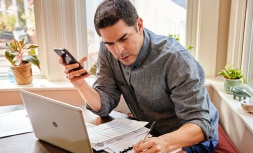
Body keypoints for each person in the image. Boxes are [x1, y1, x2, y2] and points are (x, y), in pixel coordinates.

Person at [60, 0, 219, 152]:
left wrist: (164, 143)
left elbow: (200, 124)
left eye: (124, 38)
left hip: (190, 137)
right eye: (110, 43)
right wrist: (80, 83)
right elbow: (104, 105)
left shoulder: (175, 59)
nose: (119, 50)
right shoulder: (107, 51)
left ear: (139, 25)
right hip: (150, 131)